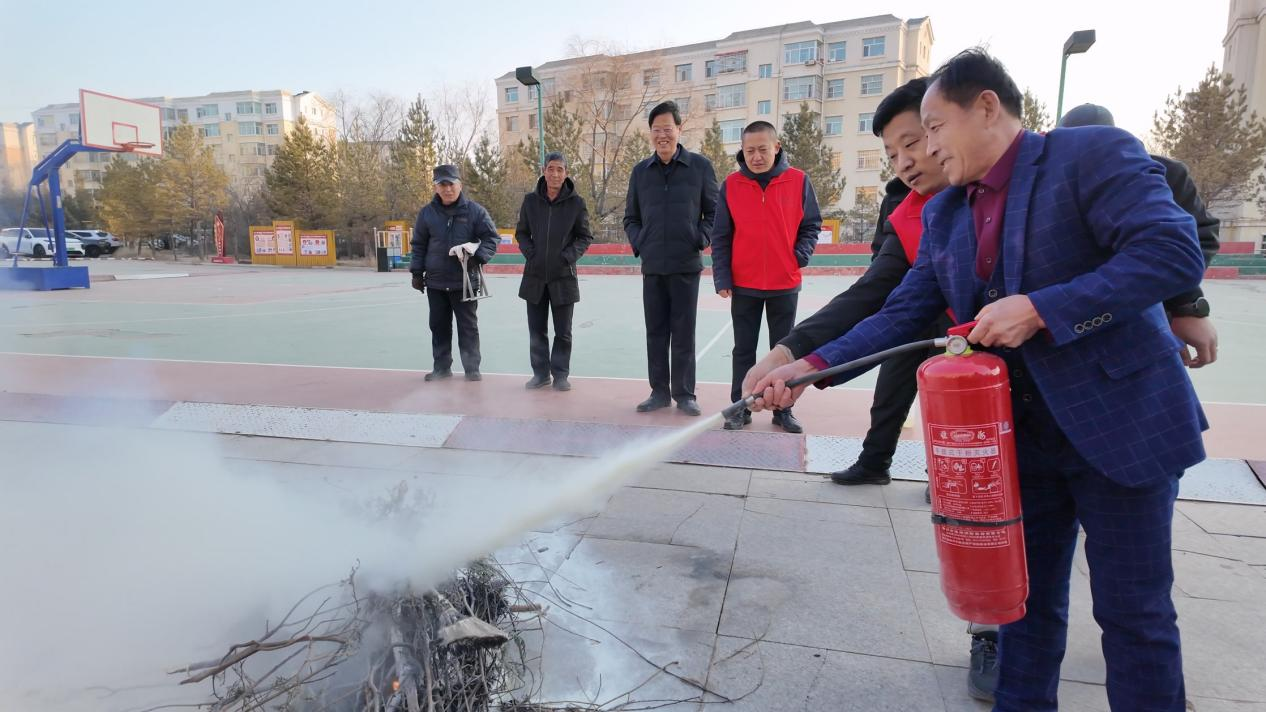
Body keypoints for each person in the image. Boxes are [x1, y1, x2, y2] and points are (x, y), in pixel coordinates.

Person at [752, 49, 1206, 711]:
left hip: (1120, 425)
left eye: (933, 128)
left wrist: (1042, 309)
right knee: (1021, 606)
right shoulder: (945, 214)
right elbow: (903, 311)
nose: (928, 148)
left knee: (1134, 614)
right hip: (1020, 443)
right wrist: (809, 366)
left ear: (987, 107)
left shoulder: (1089, 155)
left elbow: (1171, 251)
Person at [743, 77, 954, 483]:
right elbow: (879, 295)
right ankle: (878, 463)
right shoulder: (912, 212)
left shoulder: (1010, 188)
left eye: (912, 144)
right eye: (892, 155)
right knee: (892, 392)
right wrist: (794, 356)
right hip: (913, 320)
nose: (904, 163)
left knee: (953, 406)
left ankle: (943, 476)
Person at [1059, 103, 1220, 368]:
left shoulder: (1160, 173)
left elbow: (1194, 238)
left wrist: (1180, 305)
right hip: (1066, 318)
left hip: (1142, 316)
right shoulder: (1046, 180)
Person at [710, 120, 821, 432]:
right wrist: (722, 277)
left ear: (777, 147)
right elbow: (721, 235)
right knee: (743, 350)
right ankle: (740, 408)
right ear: (742, 151)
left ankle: (783, 410)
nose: (756, 157)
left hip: (785, 283)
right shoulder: (731, 185)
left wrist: (798, 256)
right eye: (750, 151)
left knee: (783, 352)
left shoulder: (798, 180)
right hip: (744, 284)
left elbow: (811, 225)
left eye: (762, 149)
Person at [624, 100, 719, 416]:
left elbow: (714, 213)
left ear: (679, 129)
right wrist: (642, 243)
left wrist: (698, 239)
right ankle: (659, 392)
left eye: (667, 129)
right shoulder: (640, 172)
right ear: (650, 133)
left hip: (685, 265)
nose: (662, 135)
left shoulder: (700, 167)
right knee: (655, 333)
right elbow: (631, 218)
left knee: (683, 333)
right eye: (656, 130)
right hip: (653, 266)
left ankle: (685, 394)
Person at [410, 164, 500, 382]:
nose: (447, 189)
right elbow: (419, 244)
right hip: (436, 282)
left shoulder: (475, 211)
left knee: (468, 327)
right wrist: (416, 272)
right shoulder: (426, 213)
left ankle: (472, 369)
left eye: (451, 184)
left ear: (460, 185)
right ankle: (441, 368)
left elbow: (492, 238)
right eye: (442, 184)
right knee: (438, 327)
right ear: (436, 187)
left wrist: (478, 256)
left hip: (465, 281)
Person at [515, 151, 594, 391]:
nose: (555, 174)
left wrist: (566, 257)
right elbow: (521, 233)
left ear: (566, 173)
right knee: (536, 330)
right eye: (551, 169)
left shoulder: (577, 203)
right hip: (535, 276)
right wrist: (532, 254)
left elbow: (584, 237)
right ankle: (540, 374)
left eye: (560, 169)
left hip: (563, 277)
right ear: (544, 171)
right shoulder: (530, 201)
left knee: (563, 332)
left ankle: (560, 375)